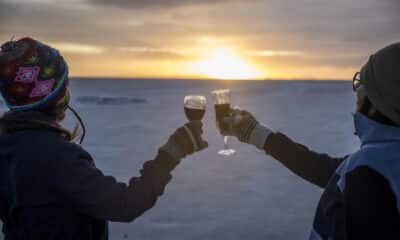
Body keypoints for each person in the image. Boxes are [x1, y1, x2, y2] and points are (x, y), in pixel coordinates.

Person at [0, 37, 208, 240]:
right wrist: (170, 153)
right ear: (54, 94)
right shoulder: (57, 157)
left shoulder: (7, 145)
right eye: (65, 85)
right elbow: (125, 204)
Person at [222, 42, 400, 239]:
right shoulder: (382, 162)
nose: (355, 104)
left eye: (360, 93)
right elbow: (326, 170)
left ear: (378, 104)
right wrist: (257, 134)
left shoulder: (366, 172)